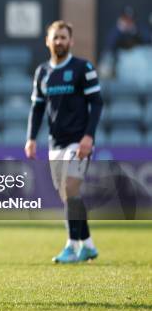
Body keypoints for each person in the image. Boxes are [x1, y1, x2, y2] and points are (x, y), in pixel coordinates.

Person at [25, 20, 103, 264]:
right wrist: (31, 138)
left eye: (63, 37)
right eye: (55, 37)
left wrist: (89, 136)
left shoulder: (83, 68)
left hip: (78, 141)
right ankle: (88, 245)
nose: (59, 41)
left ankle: (70, 246)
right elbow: (37, 108)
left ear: (71, 41)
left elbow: (97, 102)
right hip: (55, 142)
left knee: (70, 189)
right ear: (47, 41)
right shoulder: (42, 73)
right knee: (69, 197)